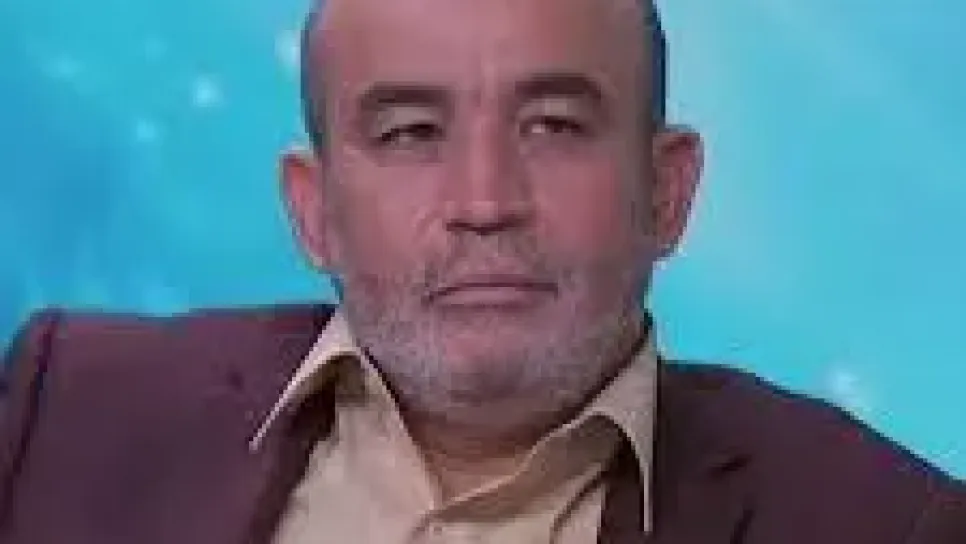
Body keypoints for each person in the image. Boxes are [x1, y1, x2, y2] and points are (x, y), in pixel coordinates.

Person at [1, 0, 964, 542]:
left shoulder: (882, 522)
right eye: (410, 132)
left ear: (667, 191)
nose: (485, 200)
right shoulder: (66, 406)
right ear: (313, 211)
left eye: (553, 126)